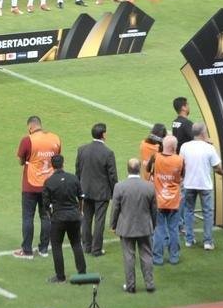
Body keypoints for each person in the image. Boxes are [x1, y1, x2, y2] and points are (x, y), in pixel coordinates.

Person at [15, 115, 61, 259]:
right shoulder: (55, 138)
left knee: (28, 217)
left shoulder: (27, 140)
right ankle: (44, 249)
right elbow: (57, 158)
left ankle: (27, 250)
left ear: (30, 127)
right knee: (46, 216)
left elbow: (21, 161)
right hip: (49, 185)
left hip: (31, 185)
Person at [111, 157, 157, 293]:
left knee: (129, 257)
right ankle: (149, 284)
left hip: (126, 227)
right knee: (147, 255)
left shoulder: (120, 186)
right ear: (139, 169)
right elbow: (154, 209)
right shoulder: (149, 186)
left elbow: (115, 208)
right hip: (144, 227)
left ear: (127, 169)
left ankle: (130, 286)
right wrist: (153, 224)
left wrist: (113, 225)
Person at [44, 154, 88, 284]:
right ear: (63, 164)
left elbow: (46, 204)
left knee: (56, 246)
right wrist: (80, 211)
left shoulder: (49, 182)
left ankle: (60, 276)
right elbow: (81, 197)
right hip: (74, 216)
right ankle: (82, 273)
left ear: (52, 166)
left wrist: (51, 216)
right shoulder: (73, 178)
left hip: (58, 218)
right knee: (76, 243)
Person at [180, 122, 223, 250]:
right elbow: (217, 167)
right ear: (203, 133)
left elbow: (181, 164)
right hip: (204, 185)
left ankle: (189, 240)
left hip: (189, 183)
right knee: (208, 213)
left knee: (188, 211)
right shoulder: (209, 148)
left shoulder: (185, 146)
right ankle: (208, 242)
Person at [76, 122, 118, 257]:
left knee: (86, 219)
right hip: (101, 193)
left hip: (85, 190)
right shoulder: (108, 153)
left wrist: (78, 190)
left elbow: (78, 171)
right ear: (103, 134)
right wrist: (115, 193)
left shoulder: (82, 150)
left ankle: (87, 246)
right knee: (99, 221)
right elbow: (112, 176)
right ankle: (96, 249)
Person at [149, 135, 184, 266]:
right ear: (175, 147)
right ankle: (174, 257)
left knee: (158, 229)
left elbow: (148, 170)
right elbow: (182, 175)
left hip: (158, 200)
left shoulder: (155, 157)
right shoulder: (180, 160)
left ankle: (157, 258)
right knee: (173, 229)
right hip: (174, 200)